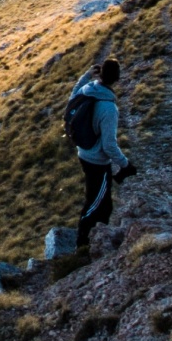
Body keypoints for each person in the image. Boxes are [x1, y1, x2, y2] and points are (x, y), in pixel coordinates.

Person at [69, 57, 135, 250]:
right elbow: (109, 145)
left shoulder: (88, 89)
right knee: (97, 204)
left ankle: (91, 242)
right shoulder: (108, 108)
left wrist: (88, 75)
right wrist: (125, 164)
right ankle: (84, 243)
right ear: (117, 79)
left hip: (83, 152)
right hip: (97, 162)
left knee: (102, 203)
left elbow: (72, 96)